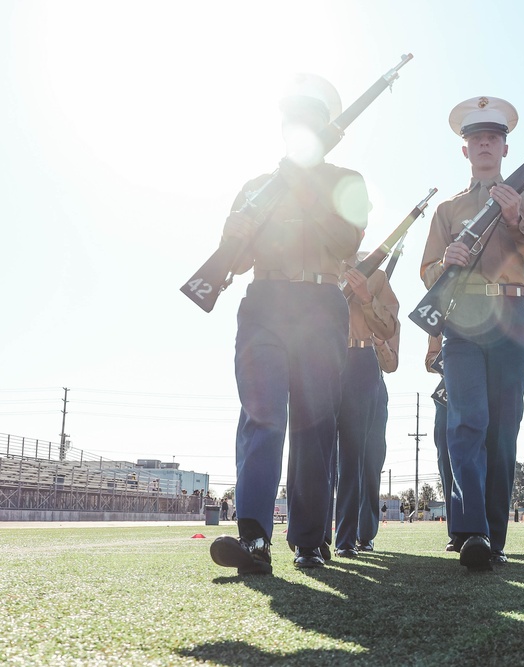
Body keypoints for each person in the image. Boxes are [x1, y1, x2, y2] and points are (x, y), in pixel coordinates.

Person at [210, 73, 367, 576]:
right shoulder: (258, 187)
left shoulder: (348, 181)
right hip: (266, 302)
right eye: (292, 122)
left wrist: (305, 189)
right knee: (261, 417)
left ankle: (309, 541)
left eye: (309, 122)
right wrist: (233, 238)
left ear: (327, 130)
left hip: (321, 302)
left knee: (313, 425)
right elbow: (231, 264)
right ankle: (253, 536)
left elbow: (347, 242)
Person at [419, 96, 524, 571]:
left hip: (511, 317)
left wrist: (516, 220)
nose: (484, 144)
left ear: (504, 148)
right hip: (462, 320)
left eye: (492, 138)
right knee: (466, 424)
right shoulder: (448, 210)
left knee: (501, 430)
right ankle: (472, 529)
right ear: (465, 151)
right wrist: (445, 262)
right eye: (475, 138)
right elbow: (426, 272)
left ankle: (492, 536)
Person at [326, 253, 399, 558]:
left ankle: (360, 534)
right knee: (325, 456)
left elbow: (391, 360)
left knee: (363, 461)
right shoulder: (324, 268)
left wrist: (366, 298)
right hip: (327, 362)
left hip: (366, 370)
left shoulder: (378, 278)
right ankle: (316, 536)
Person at [357, 298, 400, 552]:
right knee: (342, 464)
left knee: (371, 463)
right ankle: (341, 531)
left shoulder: (388, 318)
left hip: (374, 387)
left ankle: (365, 533)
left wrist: (380, 342)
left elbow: (391, 364)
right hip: (340, 381)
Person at [427, 334, 457, 551]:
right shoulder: (442, 316)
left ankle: (482, 529)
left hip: (482, 389)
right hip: (447, 395)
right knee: (447, 464)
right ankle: (456, 532)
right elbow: (430, 361)